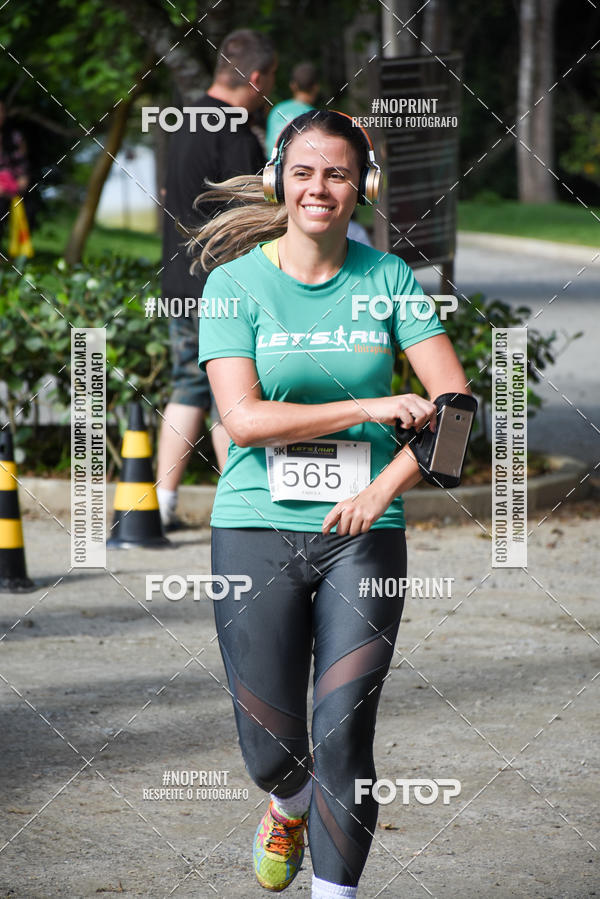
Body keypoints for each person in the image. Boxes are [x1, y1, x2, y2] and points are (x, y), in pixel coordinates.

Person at [195, 110, 470, 897]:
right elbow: (242, 418)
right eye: (307, 171)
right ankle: (288, 803)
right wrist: (370, 408)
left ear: (363, 187)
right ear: (282, 177)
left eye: (340, 173)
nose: (321, 188)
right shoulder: (234, 284)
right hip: (254, 524)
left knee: (344, 733)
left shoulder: (386, 279)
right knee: (270, 749)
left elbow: (454, 408)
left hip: (366, 534)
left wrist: (383, 487)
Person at [156, 29, 277, 528]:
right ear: (254, 77)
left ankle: (159, 506)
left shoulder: (182, 120)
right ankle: (247, 507)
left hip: (176, 281)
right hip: (221, 285)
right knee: (234, 394)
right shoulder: (234, 133)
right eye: (270, 80)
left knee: (188, 386)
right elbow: (251, 214)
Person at [265, 61, 319, 156]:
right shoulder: (314, 116)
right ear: (316, 87)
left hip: (271, 168)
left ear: (293, 86)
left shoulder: (277, 110)